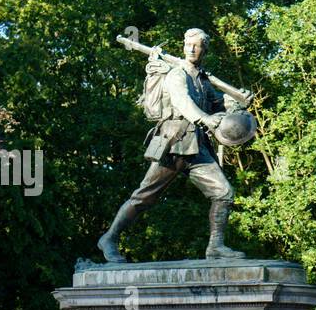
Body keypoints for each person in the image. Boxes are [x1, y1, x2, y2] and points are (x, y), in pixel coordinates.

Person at [98, 27, 243, 262]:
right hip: (173, 144)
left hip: (196, 148)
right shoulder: (177, 74)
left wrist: (237, 101)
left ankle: (215, 247)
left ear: (204, 49)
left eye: (196, 45)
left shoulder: (203, 80)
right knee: (144, 196)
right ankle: (110, 238)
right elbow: (182, 101)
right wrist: (204, 118)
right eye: (188, 44)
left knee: (224, 193)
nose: (191, 49)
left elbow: (218, 104)